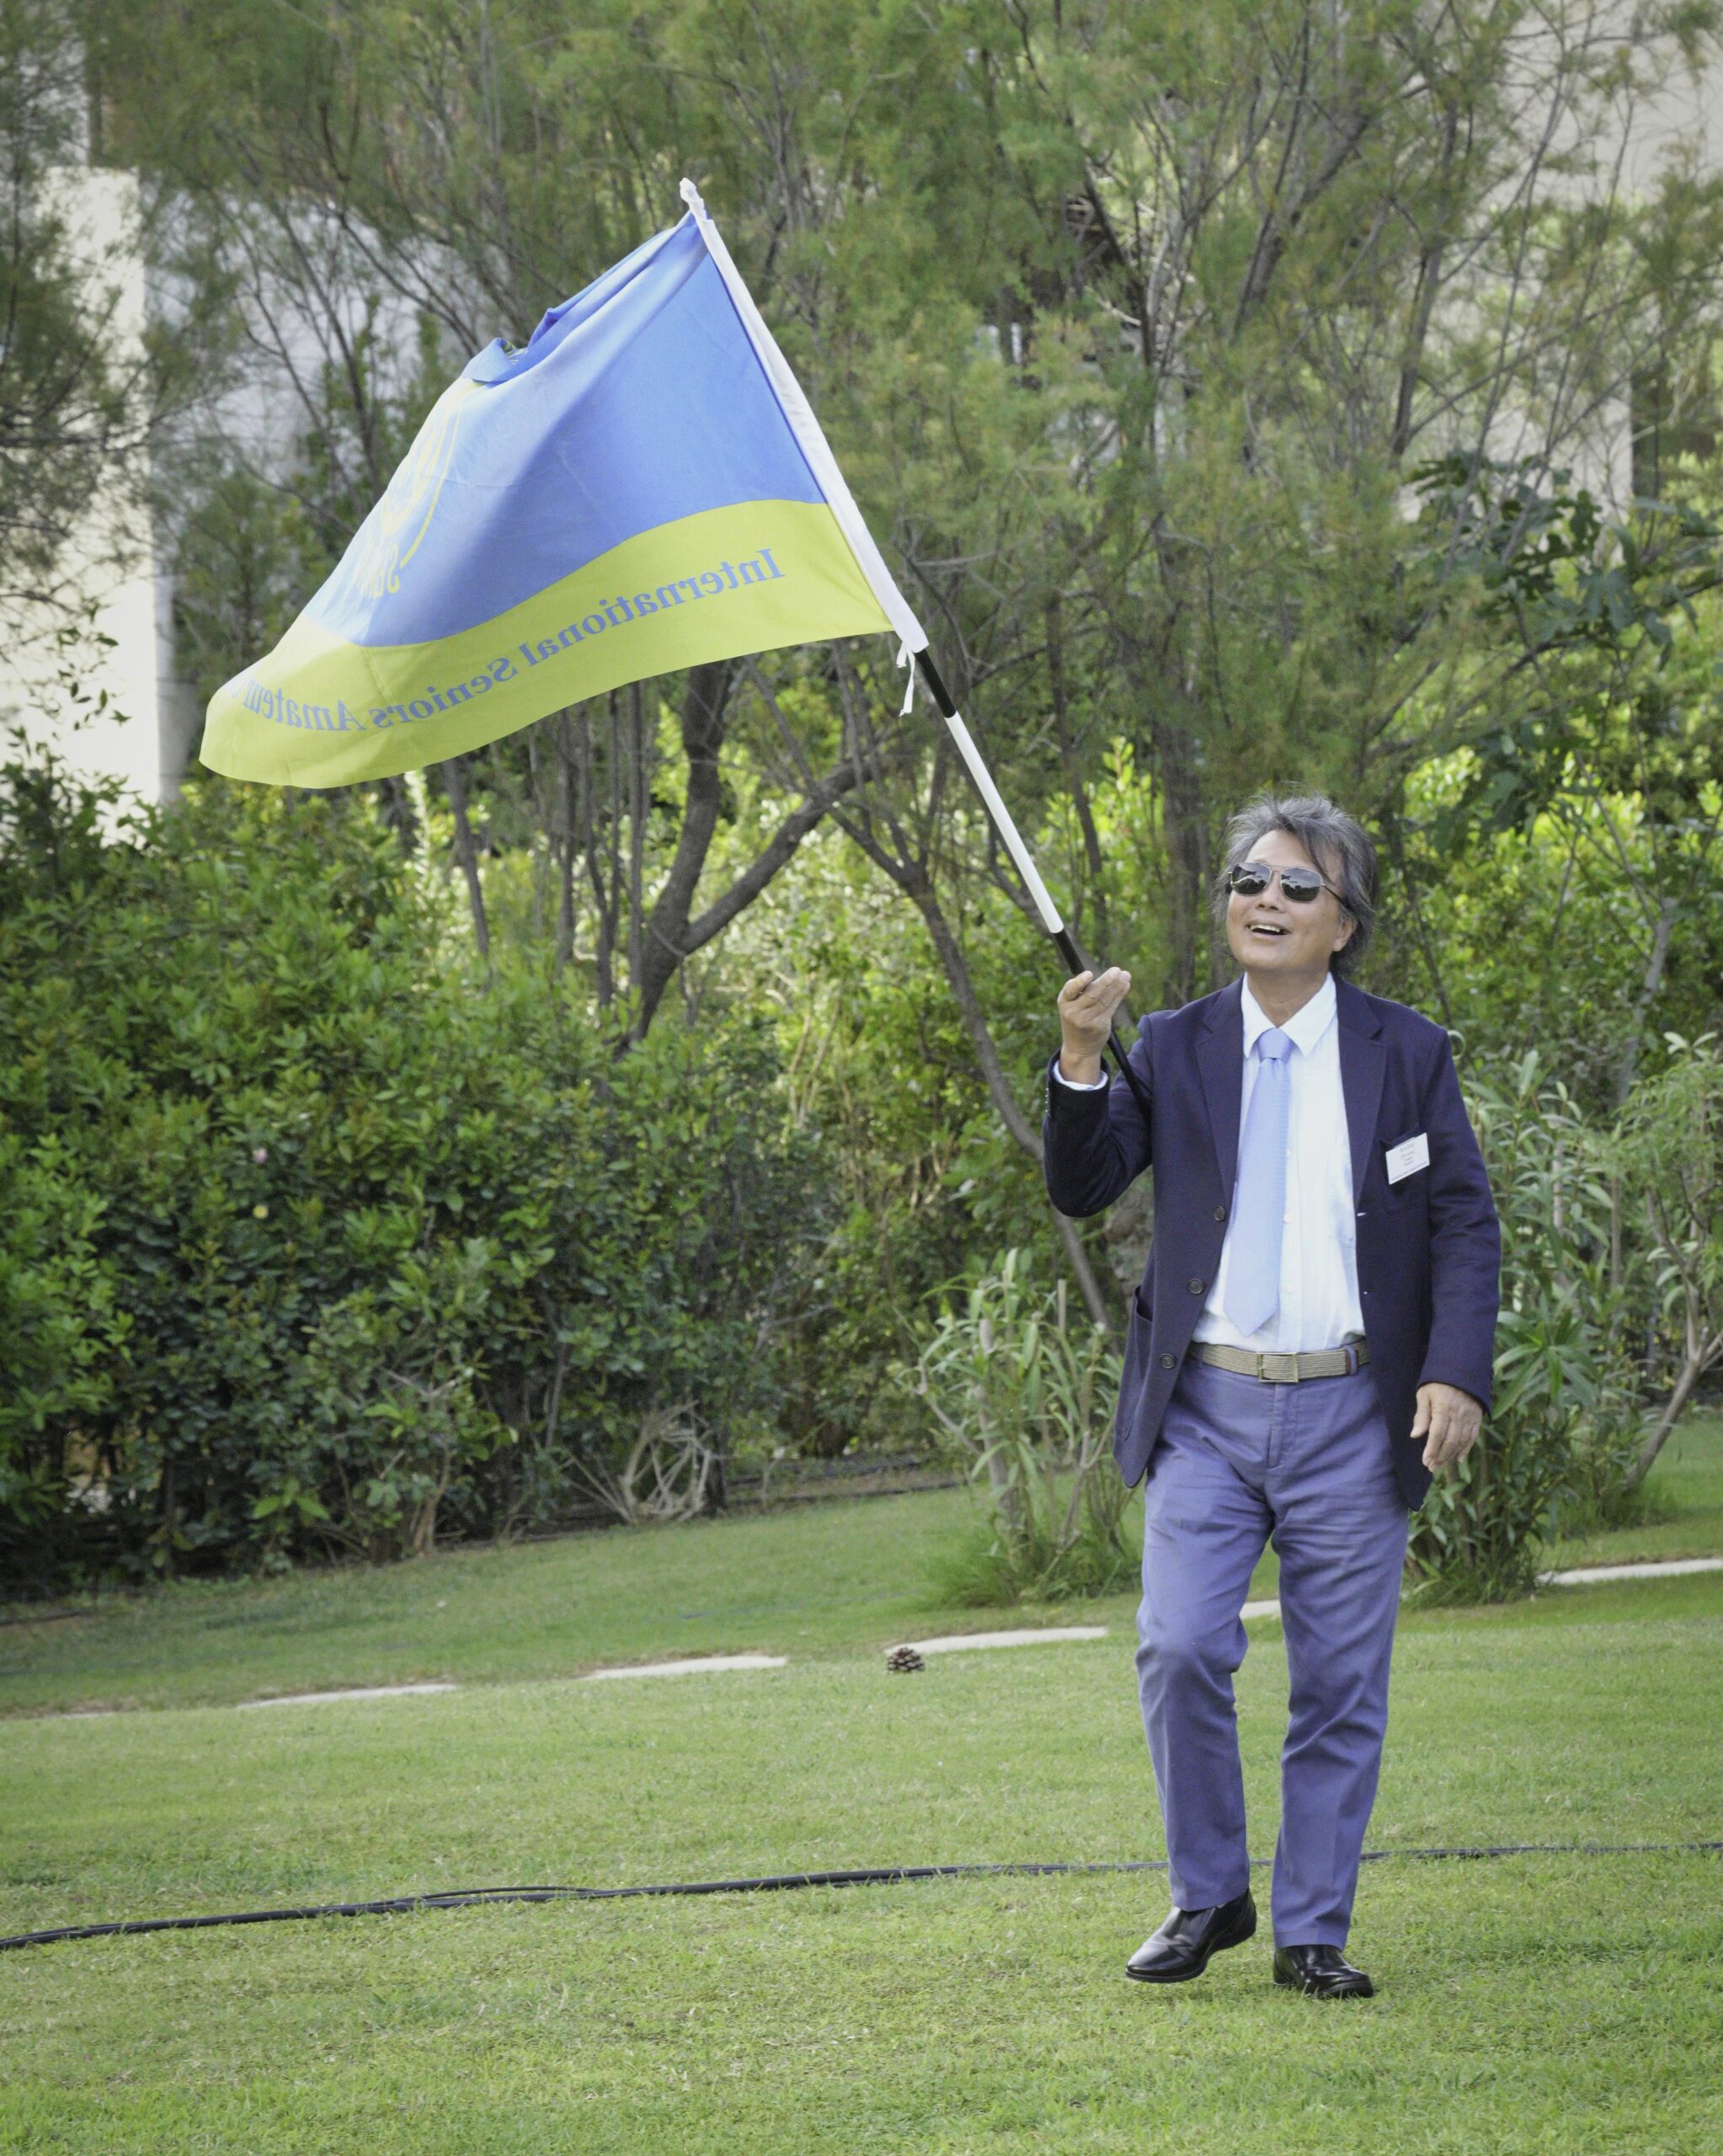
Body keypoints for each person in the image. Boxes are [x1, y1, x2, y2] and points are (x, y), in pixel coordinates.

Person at [1043, 792, 1500, 1999]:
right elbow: (1084, 1185)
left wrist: (1454, 1369)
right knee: (1179, 1645)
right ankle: (1210, 1894)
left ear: (1343, 923)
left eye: (1298, 886)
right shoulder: (1174, 1044)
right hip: (1205, 1410)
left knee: (1339, 1684)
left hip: (1355, 1411)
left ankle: (1311, 1931)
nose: (1266, 900)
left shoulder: (1409, 1052)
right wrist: (1082, 1057)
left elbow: (1462, 1219)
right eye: (1249, 880)